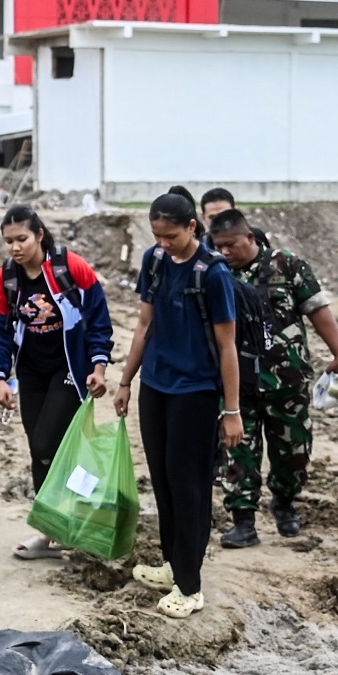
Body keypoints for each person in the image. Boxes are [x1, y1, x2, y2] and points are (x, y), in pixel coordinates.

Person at [112, 192, 243, 619]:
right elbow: (145, 324)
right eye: (157, 236)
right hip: (157, 386)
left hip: (196, 393)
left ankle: (190, 586)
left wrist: (232, 409)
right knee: (164, 480)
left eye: (171, 236)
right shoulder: (154, 261)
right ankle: (173, 565)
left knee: (189, 487)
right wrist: (127, 380)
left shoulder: (214, 274)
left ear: (192, 227)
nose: (164, 243)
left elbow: (227, 346)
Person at [208, 210, 338, 548]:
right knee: (237, 455)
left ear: (250, 238)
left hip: (287, 382)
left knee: (293, 452)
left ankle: (285, 503)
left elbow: (318, 311)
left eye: (231, 245)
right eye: (220, 247)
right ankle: (243, 522)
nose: (226, 252)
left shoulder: (287, 265)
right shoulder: (216, 273)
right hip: (237, 385)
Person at [0, 205, 113, 560]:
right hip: (31, 372)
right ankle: (51, 532)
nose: (15, 247)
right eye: (8, 241)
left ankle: (74, 521)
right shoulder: (6, 279)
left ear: (40, 235)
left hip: (69, 368)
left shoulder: (70, 268)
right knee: (41, 454)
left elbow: (98, 318)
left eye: (21, 238)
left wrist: (98, 366)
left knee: (46, 444)